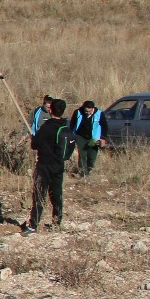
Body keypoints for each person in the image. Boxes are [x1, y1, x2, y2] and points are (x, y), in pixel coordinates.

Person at [23, 97, 72, 235]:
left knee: (39, 194)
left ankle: (33, 225)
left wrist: (34, 137)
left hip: (44, 165)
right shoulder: (65, 125)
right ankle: (57, 222)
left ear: (50, 110)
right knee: (56, 194)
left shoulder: (47, 127)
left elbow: (34, 145)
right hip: (59, 166)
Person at [72, 100, 103, 176]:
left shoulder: (99, 114)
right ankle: (82, 172)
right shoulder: (78, 112)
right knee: (82, 154)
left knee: (91, 155)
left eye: (89, 111)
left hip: (93, 138)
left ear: (93, 108)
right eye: (86, 111)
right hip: (80, 136)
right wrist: (72, 135)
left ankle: (90, 170)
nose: (87, 113)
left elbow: (104, 126)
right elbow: (72, 124)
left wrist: (103, 138)